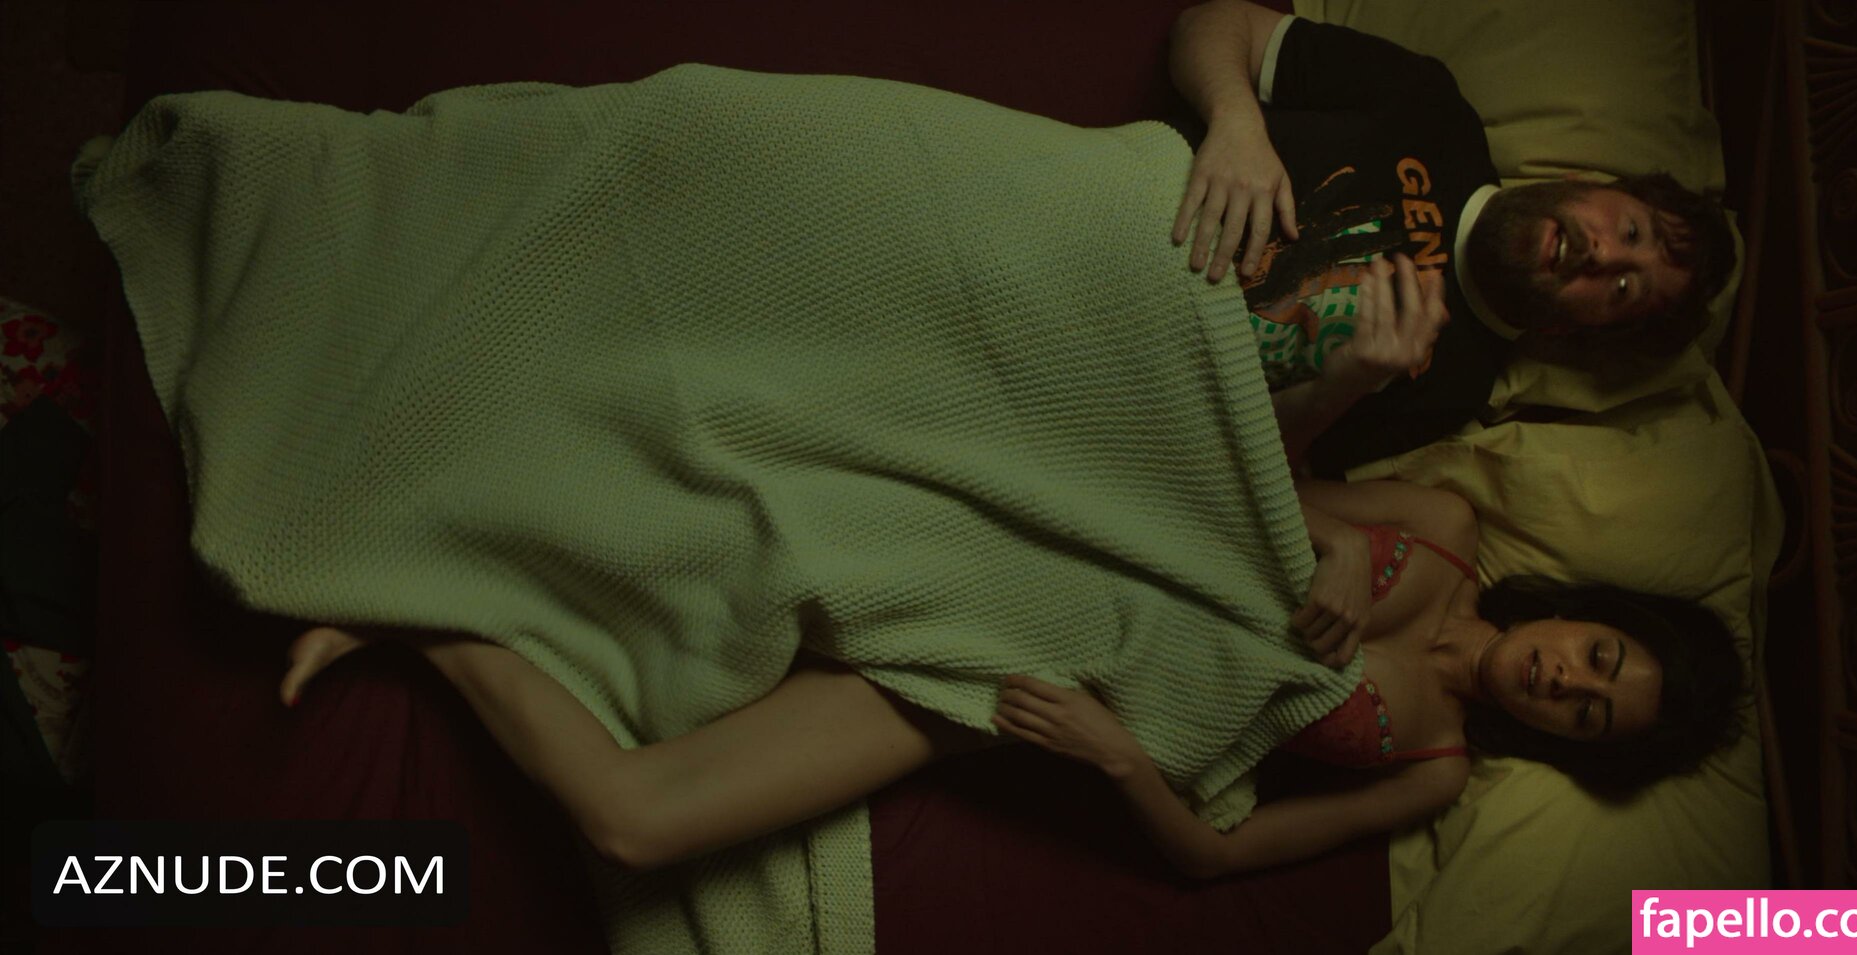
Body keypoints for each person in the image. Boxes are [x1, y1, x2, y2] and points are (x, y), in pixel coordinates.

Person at [279, 478, 1745, 875]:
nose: (1565, 679)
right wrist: (1329, 539)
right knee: (722, 545)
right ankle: (440, 541)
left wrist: (1114, 755)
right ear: (1594, 612)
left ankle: (422, 616)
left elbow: (1215, 858)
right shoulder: (1444, 525)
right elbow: (1233, 459)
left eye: (1587, 711)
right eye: (1600, 655)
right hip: (1036, 557)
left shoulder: (1429, 775)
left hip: (1008, 699)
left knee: (635, 823)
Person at [1166, 0, 1737, 475]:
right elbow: (1211, 24)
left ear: (1571, 329)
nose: (1604, 253)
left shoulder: (1453, 390)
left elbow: (1242, 474)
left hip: (1157, 377)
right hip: (1148, 195)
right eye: (1631, 231)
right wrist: (1236, 123)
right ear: (1582, 181)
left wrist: (1340, 386)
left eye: (1623, 288)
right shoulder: (1429, 106)